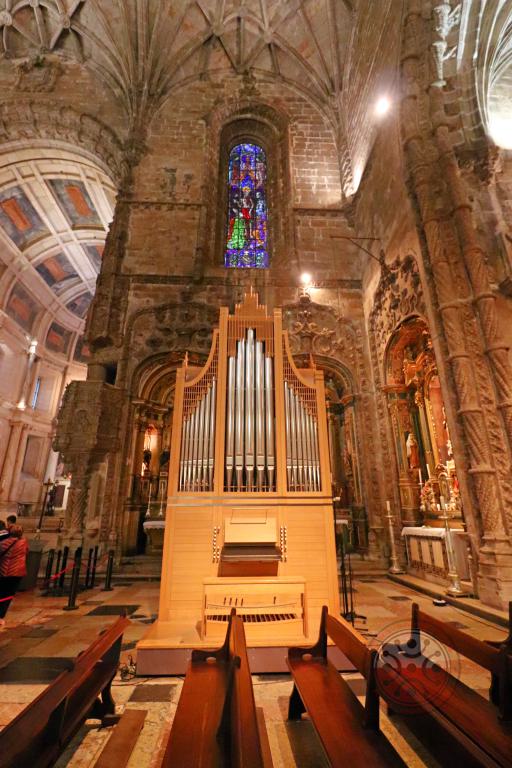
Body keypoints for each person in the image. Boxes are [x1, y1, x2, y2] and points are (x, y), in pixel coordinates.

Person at [0, 524, 28, 628]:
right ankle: (1, 616)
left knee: (1, 592)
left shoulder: (2, 543)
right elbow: (26, 552)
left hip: (3, 571)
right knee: (8, 595)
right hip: (16, 572)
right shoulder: (23, 543)